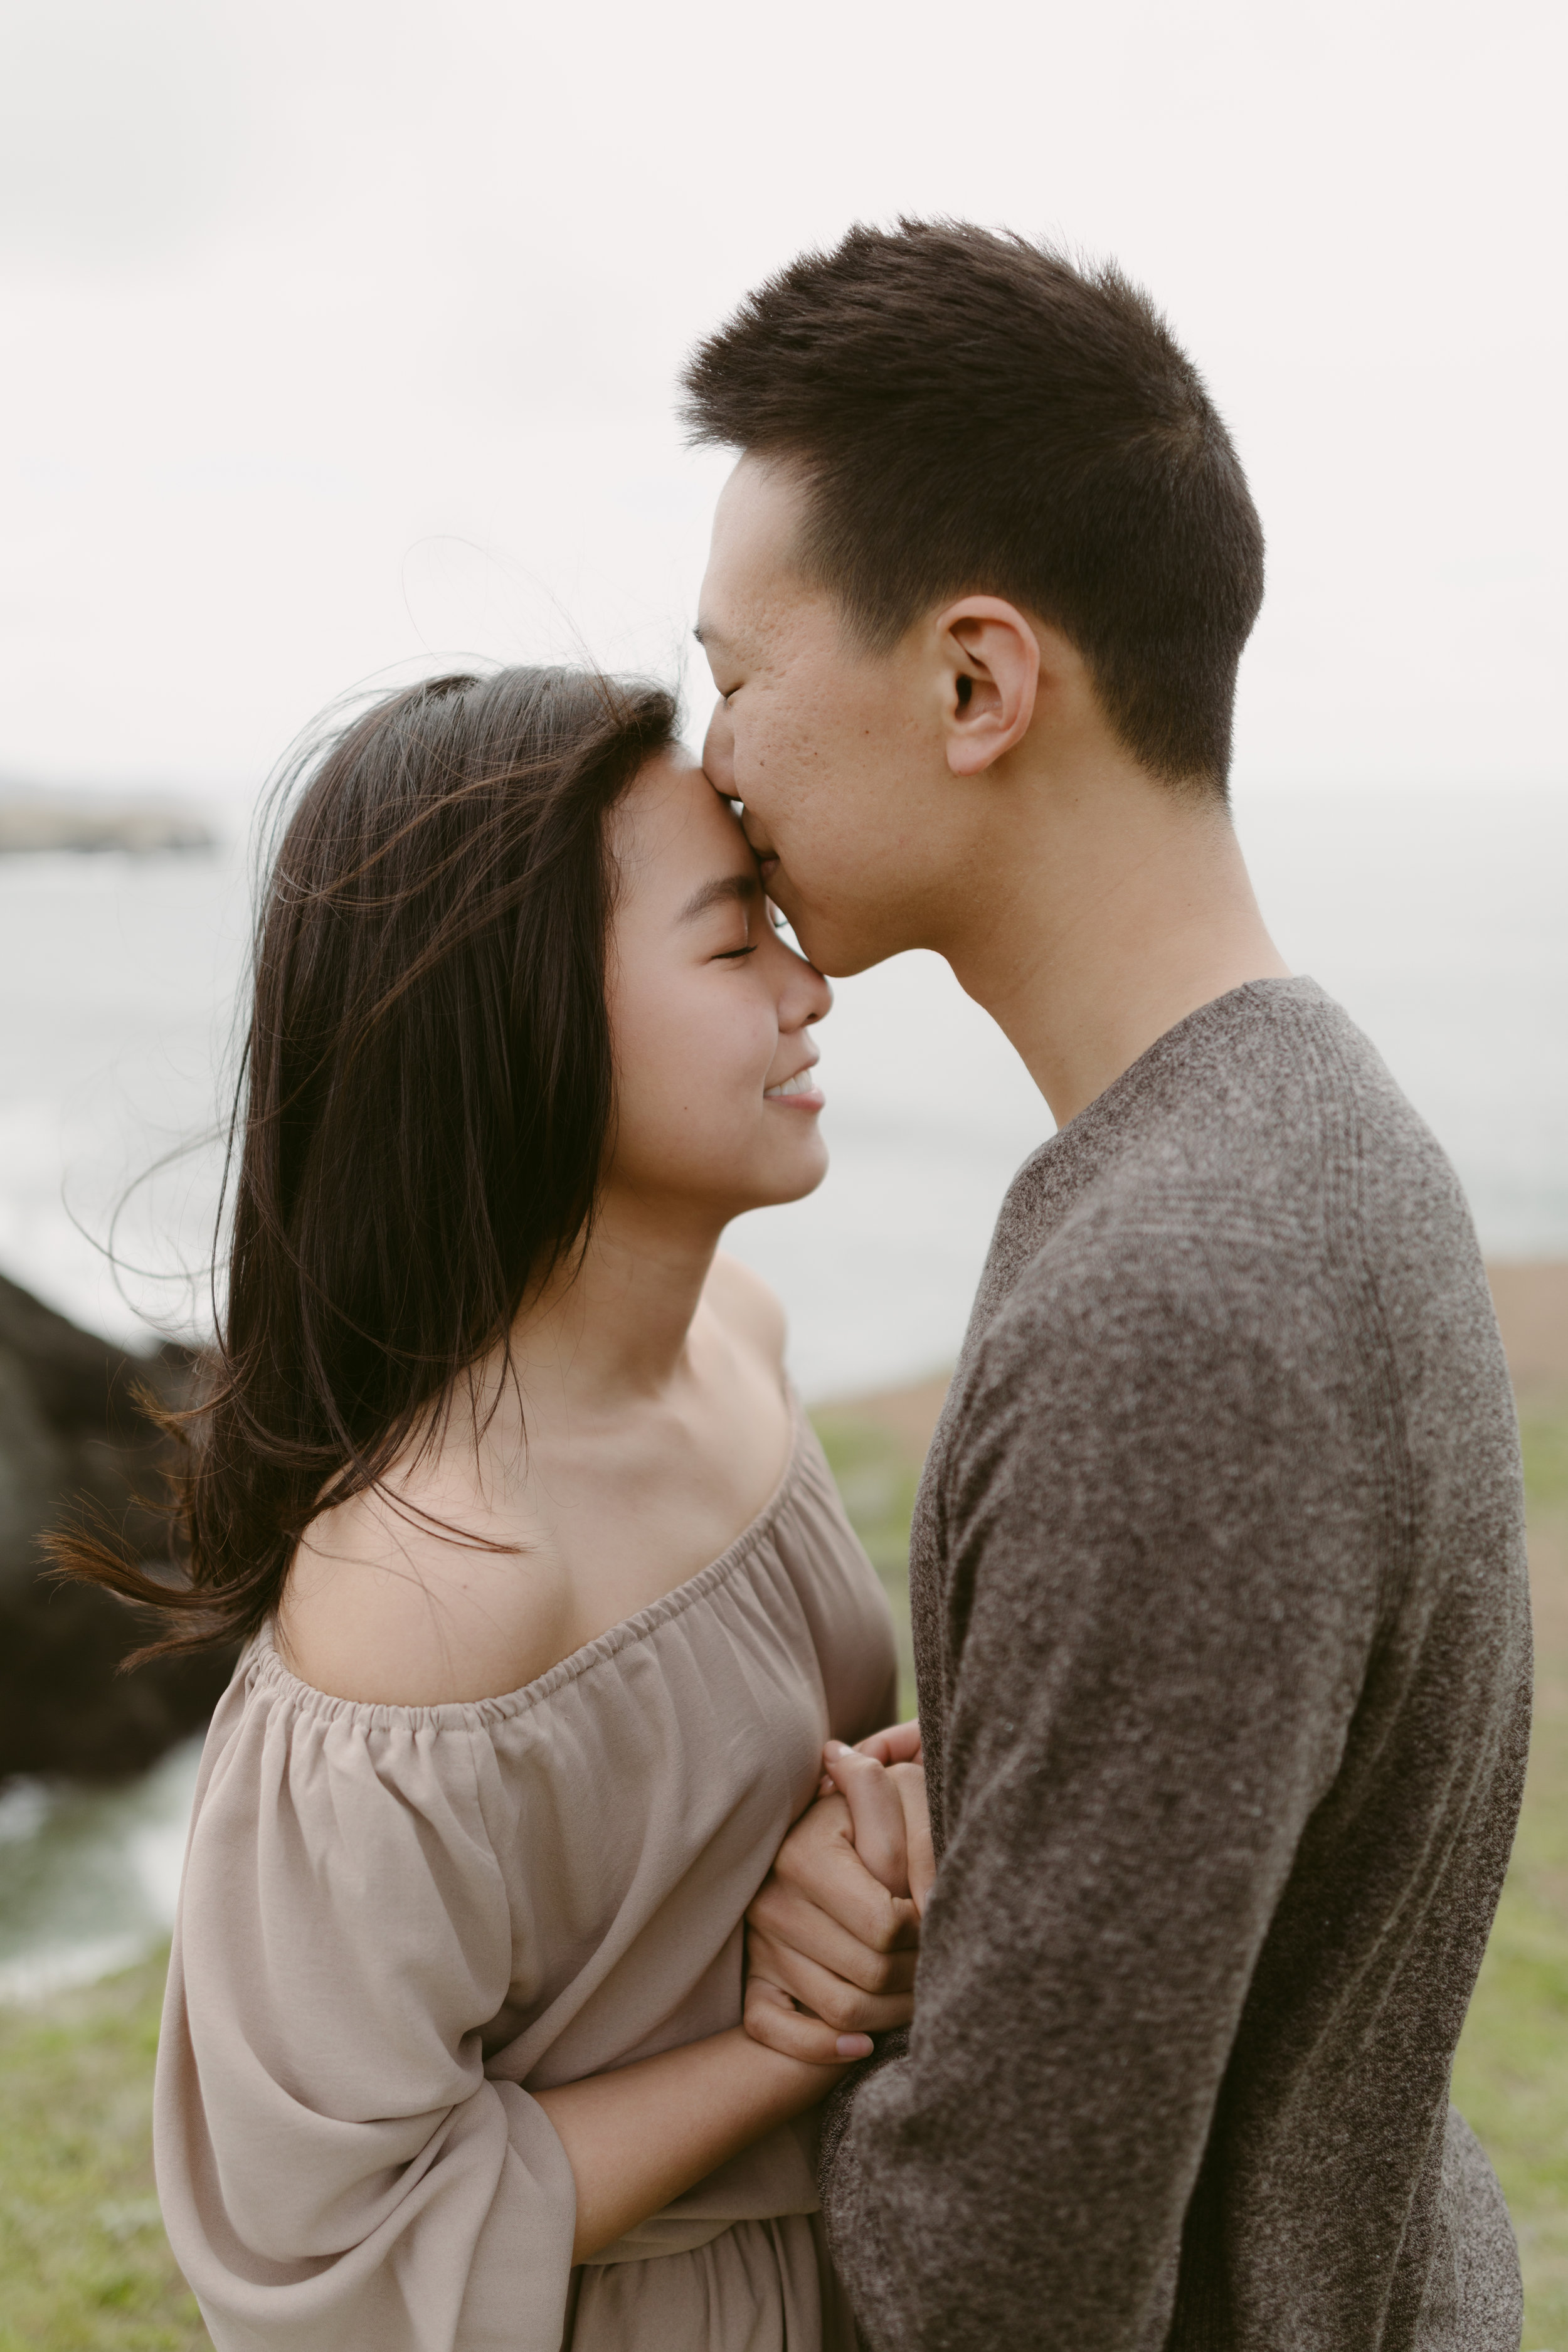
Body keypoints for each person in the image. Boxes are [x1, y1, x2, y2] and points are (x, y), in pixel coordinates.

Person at [683, 222, 1532, 2349]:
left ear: (975, 682)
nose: (715, 769)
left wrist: (838, 2008)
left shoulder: (1180, 1306)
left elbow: (1006, 2279)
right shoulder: (1305, 1131)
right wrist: (944, 1826)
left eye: (735, 676)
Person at [52, 665, 925, 2351]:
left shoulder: (737, 1342)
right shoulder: (436, 1578)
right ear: (517, 1019)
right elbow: (338, 2252)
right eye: (734, 941)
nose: (812, 987)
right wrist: (773, 2040)